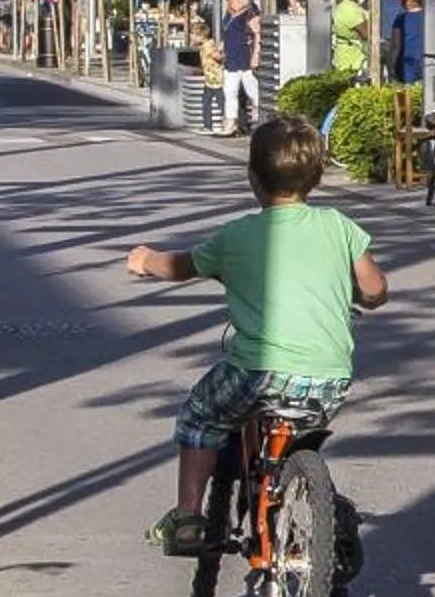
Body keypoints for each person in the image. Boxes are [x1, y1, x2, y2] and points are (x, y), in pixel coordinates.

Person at [124, 114, 386, 553]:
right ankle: (312, 501)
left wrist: (145, 259)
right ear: (317, 177)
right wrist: (357, 295)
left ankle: (188, 519)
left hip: (258, 374)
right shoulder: (339, 226)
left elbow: (180, 266)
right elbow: (375, 289)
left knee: (199, 415)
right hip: (329, 378)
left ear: (253, 178)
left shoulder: (237, 236)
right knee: (300, 427)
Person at [218, 0, 264, 126]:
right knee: (229, 91)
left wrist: (255, 55)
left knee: (252, 91)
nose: (231, 0)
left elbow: (257, 34)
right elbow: (227, 33)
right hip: (231, 58)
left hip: (245, 57)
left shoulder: (249, 12)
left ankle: (261, 117)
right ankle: (230, 121)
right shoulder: (229, 14)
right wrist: (221, 47)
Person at [330, 0, 371, 78]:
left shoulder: (345, 4)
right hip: (352, 61)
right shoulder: (349, 8)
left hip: (346, 57)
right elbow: (366, 34)